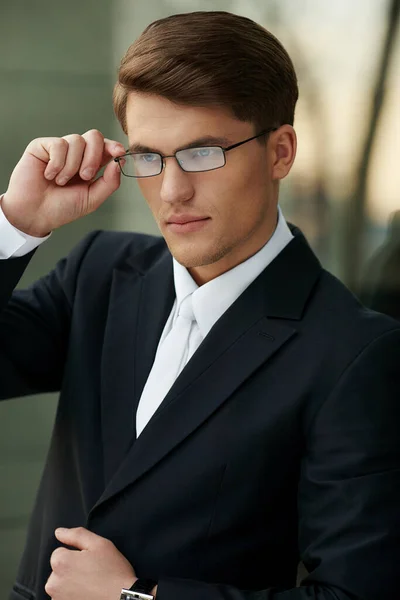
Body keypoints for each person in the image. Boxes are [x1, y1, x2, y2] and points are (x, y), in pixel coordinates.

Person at [1, 10, 399, 600]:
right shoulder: (101, 273)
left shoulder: (353, 353)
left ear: (280, 152)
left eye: (202, 155)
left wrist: (136, 596)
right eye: (149, 157)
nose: (171, 191)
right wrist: (16, 224)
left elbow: (352, 594)